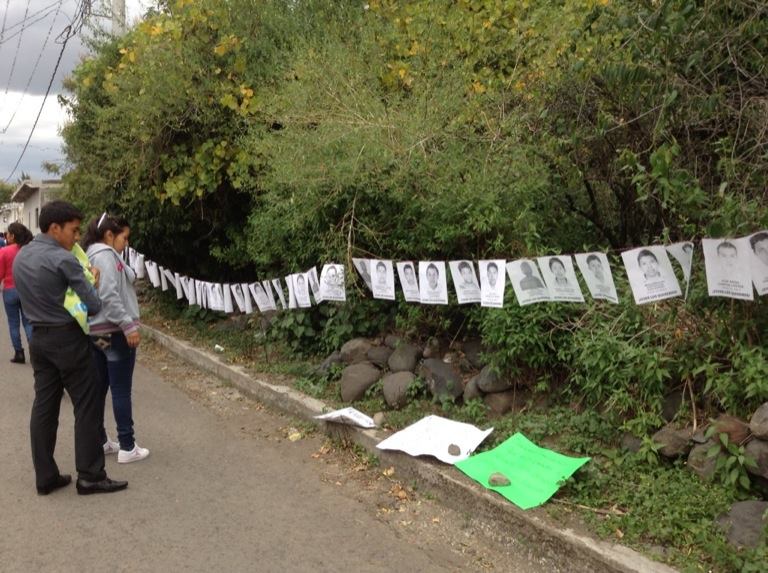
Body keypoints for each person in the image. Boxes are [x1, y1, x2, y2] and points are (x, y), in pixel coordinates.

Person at [13, 200, 127, 495]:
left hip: (38, 338)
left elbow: (44, 295)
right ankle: (91, 475)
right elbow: (92, 305)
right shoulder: (64, 260)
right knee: (88, 405)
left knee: (44, 407)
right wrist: (94, 281)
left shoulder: (22, 257)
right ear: (55, 228)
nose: (77, 238)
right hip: (68, 339)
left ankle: (46, 476)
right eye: (74, 231)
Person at [82, 213, 149, 464]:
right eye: (124, 237)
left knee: (100, 388)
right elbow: (110, 295)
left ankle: (102, 441)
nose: (126, 243)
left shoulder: (89, 254)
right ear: (109, 235)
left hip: (97, 333)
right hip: (114, 331)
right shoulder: (106, 256)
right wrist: (128, 326)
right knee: (121, 390)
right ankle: (127, 445)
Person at [0, 222, 34, 363]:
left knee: (13, 323)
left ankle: (19, 353)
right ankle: (35, 353)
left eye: (8, 233)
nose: (6, 236)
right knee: (28, 322)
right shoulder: (29, 250)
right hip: (26, 290)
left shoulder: (4, 251)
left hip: (9, 291)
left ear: (13, 236)